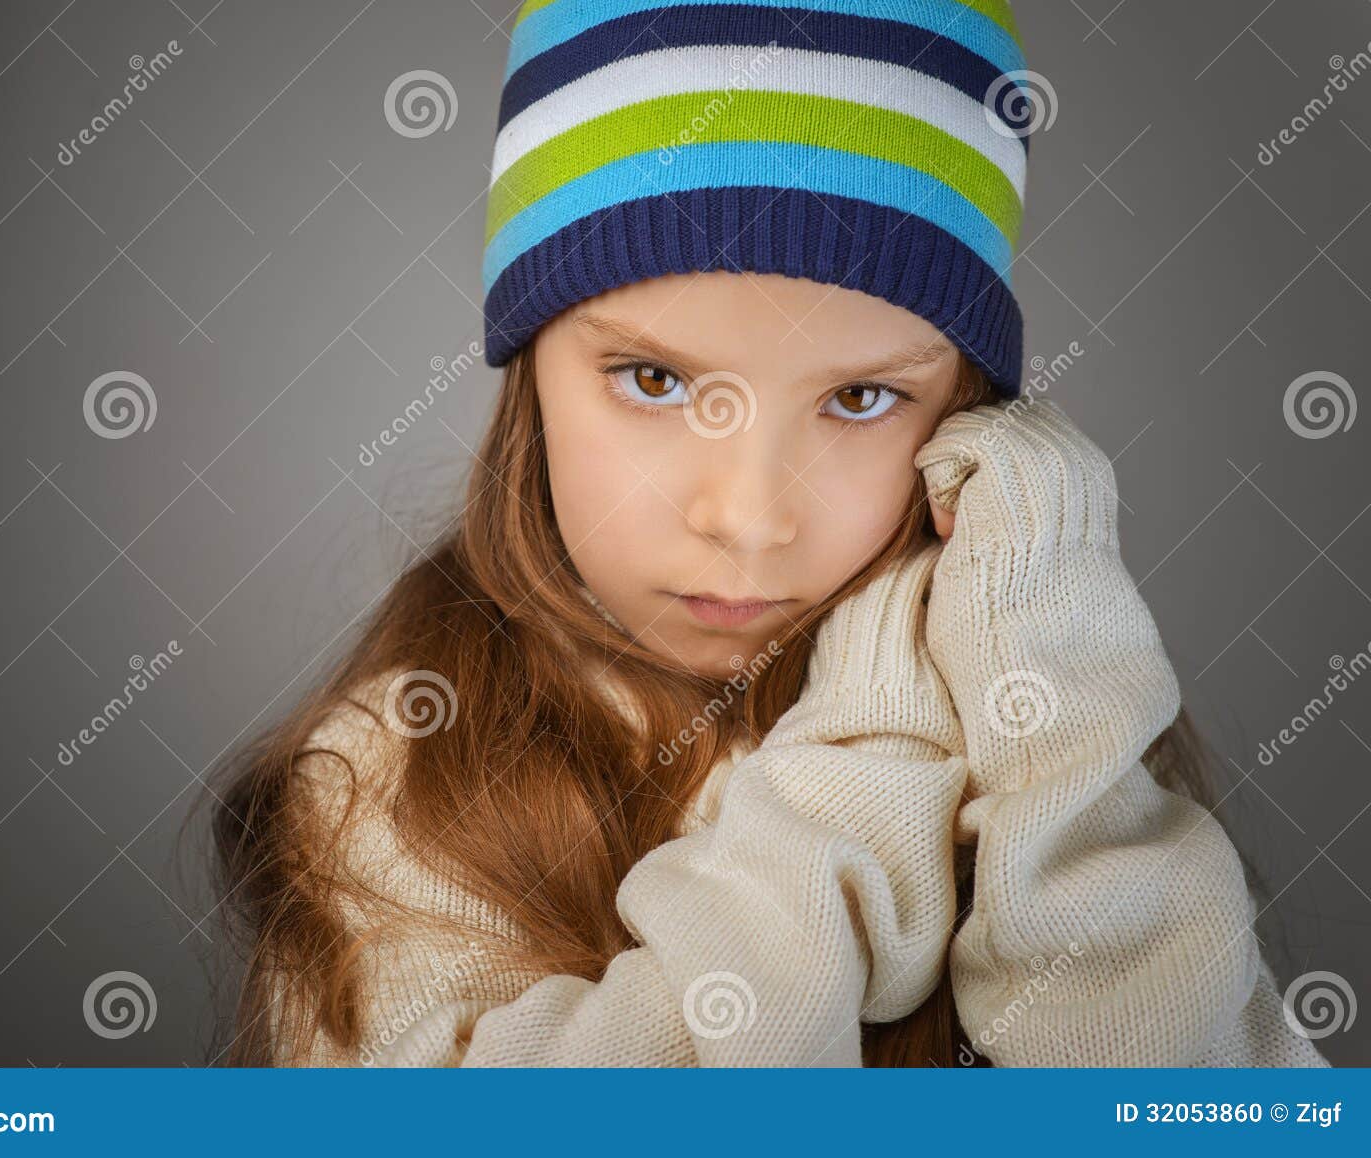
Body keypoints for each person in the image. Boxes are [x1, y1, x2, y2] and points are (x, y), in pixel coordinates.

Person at [212, 0, 1329, 1067]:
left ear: (969, 413)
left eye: (858, 401)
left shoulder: (1035, 696)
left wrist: (1057, 723)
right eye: (652, 379)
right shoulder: (396, 781)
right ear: (530, 373)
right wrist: (865, 765)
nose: (748, 518)